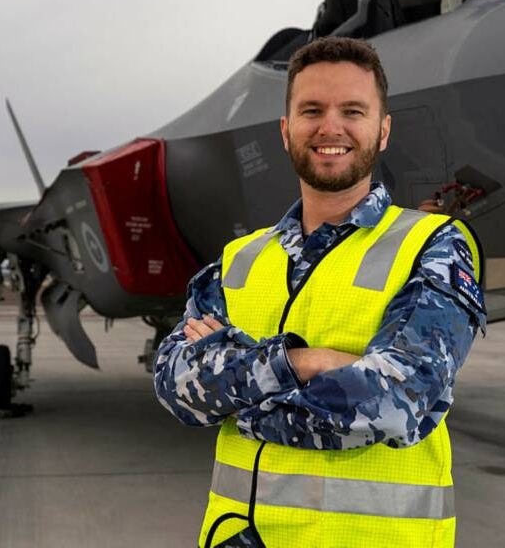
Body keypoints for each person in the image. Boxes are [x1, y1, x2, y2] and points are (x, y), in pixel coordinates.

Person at [153, 36, 486, 548]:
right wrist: (304, 363)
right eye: (312, 110)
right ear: (286, 132)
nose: (331, 128)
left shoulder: (432, 245)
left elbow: (397, 400)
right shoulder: (242, 258)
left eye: (353, 110)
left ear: (383, 130)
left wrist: (236, 389)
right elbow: (176, 385)